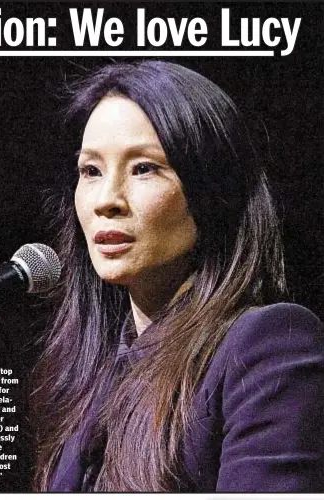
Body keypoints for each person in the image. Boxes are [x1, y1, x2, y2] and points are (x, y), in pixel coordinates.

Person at [32, 61, 324, 492]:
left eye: (144, 168)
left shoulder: (270, 344)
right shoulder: (94, 372)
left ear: (212, 190)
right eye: (91, 171)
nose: (106, 200)